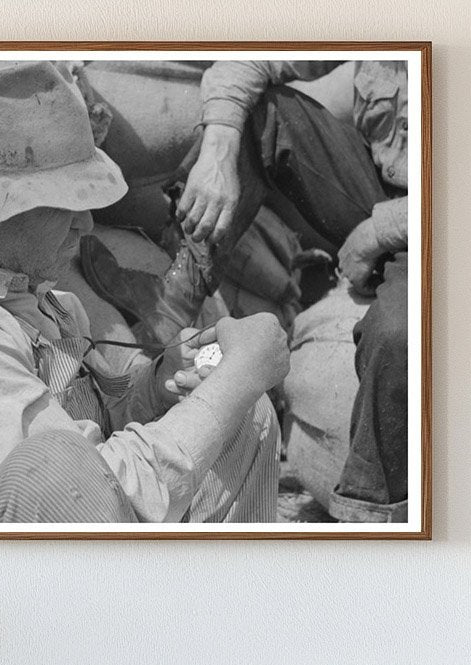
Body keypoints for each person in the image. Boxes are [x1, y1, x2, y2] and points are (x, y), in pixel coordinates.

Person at [0, 61, 289, 524]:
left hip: (52, 567)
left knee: (242, 415)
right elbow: (89, 490)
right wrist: (242, 375)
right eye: (64, 204)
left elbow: (93, 431)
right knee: (57, 459)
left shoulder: (35, 302)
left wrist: (157, 387)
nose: (86, 223)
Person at [87, 59, 410, 523]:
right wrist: (219, 147)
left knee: (397, 334)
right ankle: (171, 304)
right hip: (381, 189)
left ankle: (369, 515)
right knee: (261, 111)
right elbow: (248, 61)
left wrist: (381, 231)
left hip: (444, 223)